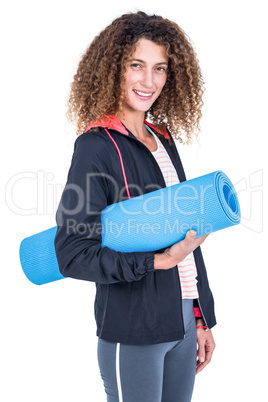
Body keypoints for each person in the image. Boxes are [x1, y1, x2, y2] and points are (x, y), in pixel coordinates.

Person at [54, 11, 216, 402]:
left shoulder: (164, 140)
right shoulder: (96, 146)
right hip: (134, 328)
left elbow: (182, 238)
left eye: (159, 68)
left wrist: (200, 316)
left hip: (181, 322)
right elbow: (72, 254)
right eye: (136, 65)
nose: (149, 81)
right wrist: (157, 261)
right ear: (113, 69)